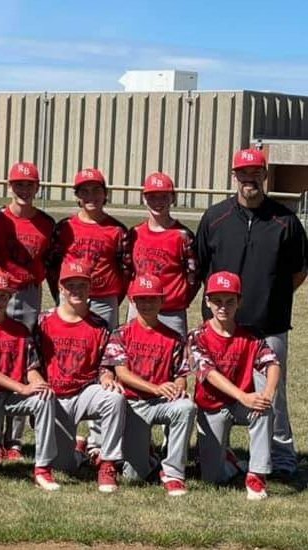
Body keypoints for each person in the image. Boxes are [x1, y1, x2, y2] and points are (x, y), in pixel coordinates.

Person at [195, 147, 307, 478]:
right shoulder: (215, 217)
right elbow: (202, 267)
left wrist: (271, 295)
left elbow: (298, 271)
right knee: (219, 391)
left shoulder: (284, 220)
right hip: (222, 328)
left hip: (268, 324)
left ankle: (282, 456)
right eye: (243, 174)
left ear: (265, 176)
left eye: (255, 173)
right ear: (235, 177)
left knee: (273, 393)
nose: (249, 180)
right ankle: (220, 451)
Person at [188, 271, 281, 500]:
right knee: (213, 479)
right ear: (207, 302)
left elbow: (273, 363)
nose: (223, 307)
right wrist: (243, 396)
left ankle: (257, 475)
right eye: (217, 301)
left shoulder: (249, 334)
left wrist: (266, 394)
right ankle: (228, 461)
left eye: (230, 301)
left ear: (239, 302)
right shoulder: (197, 336)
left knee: (263, 408)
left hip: (242, 404)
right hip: (212, 407)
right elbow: (209, 374)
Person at [36, 261, 126, 493]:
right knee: (65, 467)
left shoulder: (100, 325)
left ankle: (107, 463)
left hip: (86, 392)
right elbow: (31, 362)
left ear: (90, 288)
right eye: (70, 285)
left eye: (82, 285)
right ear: (61, 288)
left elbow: (107, 361)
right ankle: (78, 450)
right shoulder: (42, 322)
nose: (76, 290)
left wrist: (106, 376)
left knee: (114, 397)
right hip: (53, 396)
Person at [0, 160, 55, 462]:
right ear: (9, 186)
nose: (24, 189)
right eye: (18, 184)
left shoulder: (46, 223)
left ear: (37, 187)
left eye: (29, 184)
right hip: (0, 293)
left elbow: (52, 265)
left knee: (21, 358)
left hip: (28, 293)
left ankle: (13, 440)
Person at [102, 274, 196, 496]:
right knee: (135, 475)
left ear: (162, 301)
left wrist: (178, 387)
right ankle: (151, 458)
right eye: (141, 299)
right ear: (133, 301)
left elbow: (181, 373)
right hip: (133, 405)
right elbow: (122, 373)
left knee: (186, 407)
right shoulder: (121, 333)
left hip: (161, 402)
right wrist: (155, 387)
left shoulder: (173, 337)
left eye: (152, 299)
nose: (146, 304)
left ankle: (173, 473)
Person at [0, 270, 59, 490]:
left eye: (3, 296)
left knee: (44, 397)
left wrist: (38, 382)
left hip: (13, 397)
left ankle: (43, 468)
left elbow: (30, 366)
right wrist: (22, 387)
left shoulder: (20, 330)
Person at [48, 168, 128, 330]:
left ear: (105, 194)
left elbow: (126, 270)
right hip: (71, 296)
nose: (91, 196)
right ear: (77, 196)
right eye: (84, 191)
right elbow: (52, 265)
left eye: (96, 190)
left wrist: (113, 297)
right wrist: (60, 293)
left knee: (105, 347)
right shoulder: (65, 227)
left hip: (104, 301)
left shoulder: (117, 230)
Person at [124, 172, 198, 337]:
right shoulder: (134, 234)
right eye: (152, 197)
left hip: (171, 312)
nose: (158, 202)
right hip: (139, 308)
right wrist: (132, 294)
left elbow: (193, 275)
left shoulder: (183, 235)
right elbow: (127, 270)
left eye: (163, 197)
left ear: (173, 198)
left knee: (173, 359)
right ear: (144, 199)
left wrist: (179, 299)